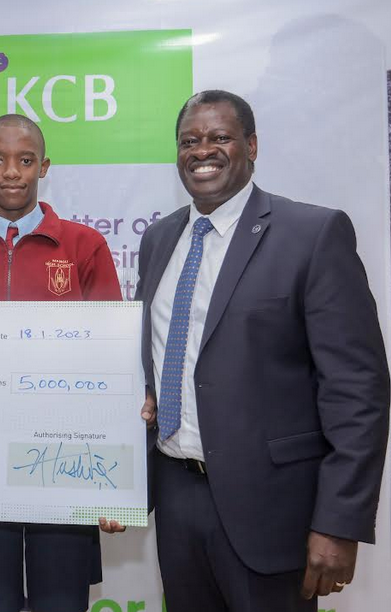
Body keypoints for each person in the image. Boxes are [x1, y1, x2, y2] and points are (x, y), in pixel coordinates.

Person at [136, 90, 390, 612]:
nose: (202, 150)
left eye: (219, 137)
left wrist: (338, 521)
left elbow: (357, 390)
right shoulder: (160, 239)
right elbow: (162, 357)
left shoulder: (312, 234)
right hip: (177, 496)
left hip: (273, 510)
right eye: (189, 140)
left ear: (251, 146)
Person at [0, 114, 125, 612]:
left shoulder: (84, 246)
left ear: (44, 166)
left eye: (25, 160)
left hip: (65, 462)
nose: (11, 171)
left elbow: (113, 363)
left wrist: (116, 482)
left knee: (61, 602)